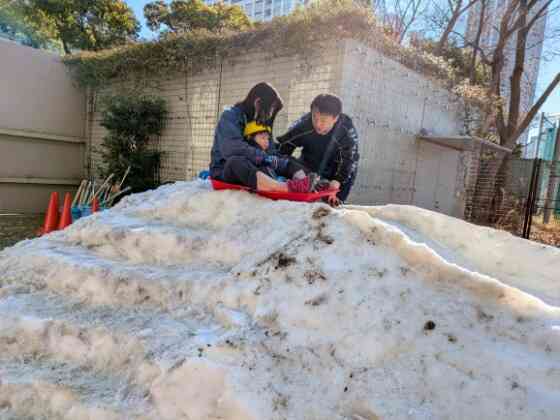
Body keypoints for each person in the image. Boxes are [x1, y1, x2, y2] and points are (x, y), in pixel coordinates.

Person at [209, 82, 318, 193]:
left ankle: (312, 183)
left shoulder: (261, 121)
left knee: (286, 161)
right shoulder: (230, 116)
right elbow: (231, 148)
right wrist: (266, 158)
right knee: (236, 162)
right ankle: (283, 187)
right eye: (270, 111)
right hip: (225, 170)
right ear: (258, 103)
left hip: (256, 165)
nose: (269, 116)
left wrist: (283, 163)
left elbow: (270, 152)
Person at [277, 94, 359, 206]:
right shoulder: (304, 123)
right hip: (309, 165)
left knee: (331, 206)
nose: (318, 124)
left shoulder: (347, 131)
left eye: (323, 120)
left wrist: (337, 182)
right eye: (315, 118)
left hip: (340, 171)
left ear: (335, 118)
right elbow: (284, 147)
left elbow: (348, 161)